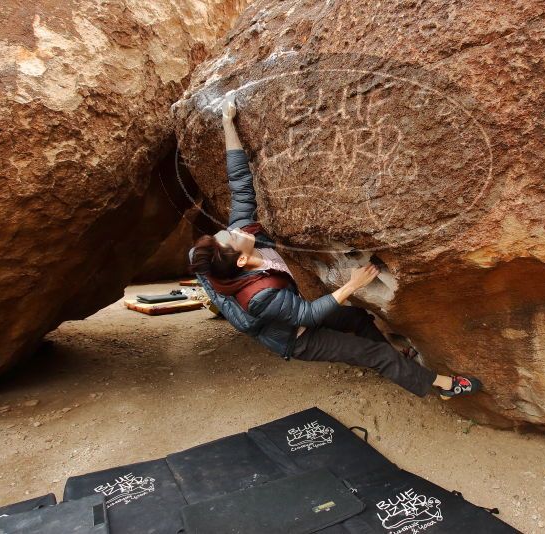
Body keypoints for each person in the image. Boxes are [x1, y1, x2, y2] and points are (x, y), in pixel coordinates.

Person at [188, 92, 481, 400]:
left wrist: (227, 123)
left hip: (294, 314)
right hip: (297, 337)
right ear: (239, 262)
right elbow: (306, 315)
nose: (234, 230)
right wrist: (352, 285)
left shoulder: (242, 236)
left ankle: (397, 363)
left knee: (357, 319)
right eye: (232, 237)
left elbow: (240, 184)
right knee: (371, 353)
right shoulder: (258, 297)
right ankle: (444, 387)